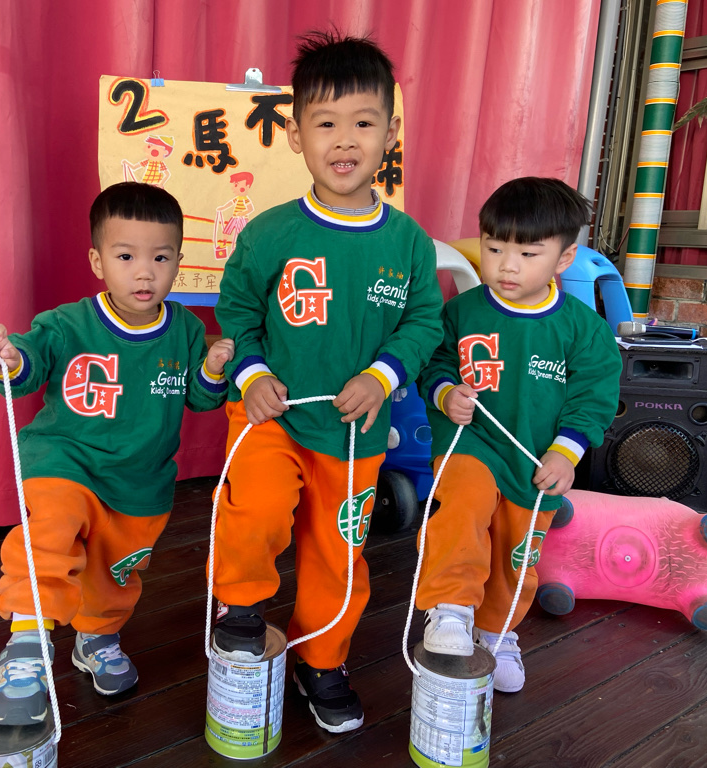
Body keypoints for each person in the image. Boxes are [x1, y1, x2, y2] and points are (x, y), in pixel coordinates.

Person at [210, 31, 444, 734]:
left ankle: (321, 660)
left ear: (391, 134)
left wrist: (382, 375)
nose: (345, 141)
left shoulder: (407, 241)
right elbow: (236, 312)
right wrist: (250, 375)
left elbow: (424, 322)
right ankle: (241, 603)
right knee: (258, 507)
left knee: (337, 555)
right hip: (270, 417)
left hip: (354, 435)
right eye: (326, 123)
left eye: (364, 123)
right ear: (295, 135)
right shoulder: (269, 234)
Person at [0, 181, 234, 726]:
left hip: (140, 484)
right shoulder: (66, 323)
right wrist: (9, 360)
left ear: (179, 262)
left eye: (160, 258)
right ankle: (26, 645)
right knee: (51, 530)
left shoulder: (187, 330)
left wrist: (212, 370)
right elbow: (28, 365)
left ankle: (96, 637)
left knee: (114, 574)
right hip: (64, 461)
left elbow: (202, 399)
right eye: (126, 256)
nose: (145, 273)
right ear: (98, 261)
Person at [415, 177, 621, 693]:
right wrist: (444, 392)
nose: (507, 266)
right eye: (493, 249)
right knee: (462, 508)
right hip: (470, 445)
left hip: (536, 461)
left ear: (564, 258)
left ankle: (496, 631)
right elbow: (433, 363)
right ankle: (451, 608)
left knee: (518, 552)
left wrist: (566, 453)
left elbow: (594, 397)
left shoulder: (584, 329)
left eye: (528, 254)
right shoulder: (460, 311)